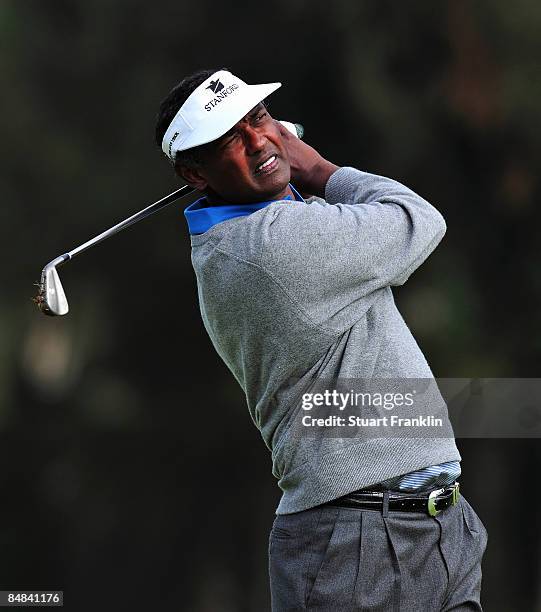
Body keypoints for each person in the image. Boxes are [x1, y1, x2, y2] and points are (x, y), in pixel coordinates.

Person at [155, 68, 488, 611]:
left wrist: (280, 170)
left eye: (257, 119)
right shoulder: (269, 248)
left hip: (435, 524)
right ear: (194, 173)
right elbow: (418, 219)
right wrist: (316, 167)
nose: (258, 141)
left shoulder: (255, 227)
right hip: (357, 544)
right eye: (228, 140)